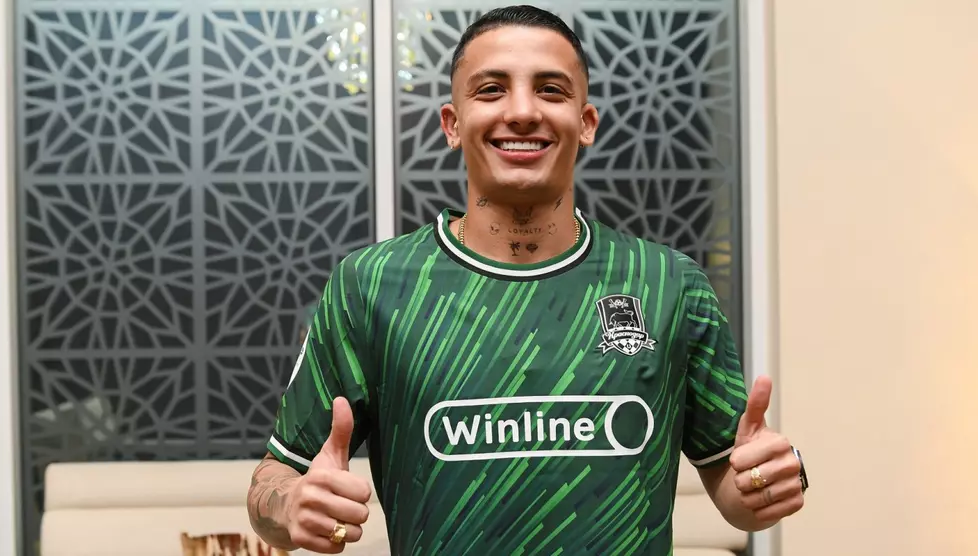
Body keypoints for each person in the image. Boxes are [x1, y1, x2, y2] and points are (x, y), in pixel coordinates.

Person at [246, 5, 808, 554]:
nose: (521, 111)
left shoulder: (667, 284)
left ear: (586, 123)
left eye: (551, 90)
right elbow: (272, 483)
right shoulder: (370, 288)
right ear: (452, 124)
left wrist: (764, 482)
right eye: (491, 89)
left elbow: (735, 490)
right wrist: (293, 505)